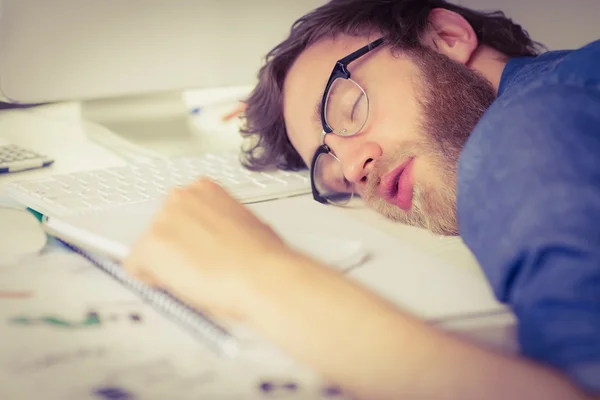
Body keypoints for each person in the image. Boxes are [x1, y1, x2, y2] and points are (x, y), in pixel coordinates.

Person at [123, 0, 600, 398]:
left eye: (348, 107)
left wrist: (256, 274)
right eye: (331, 166)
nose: (352, 169)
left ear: (446, 36)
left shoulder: (524, 133)